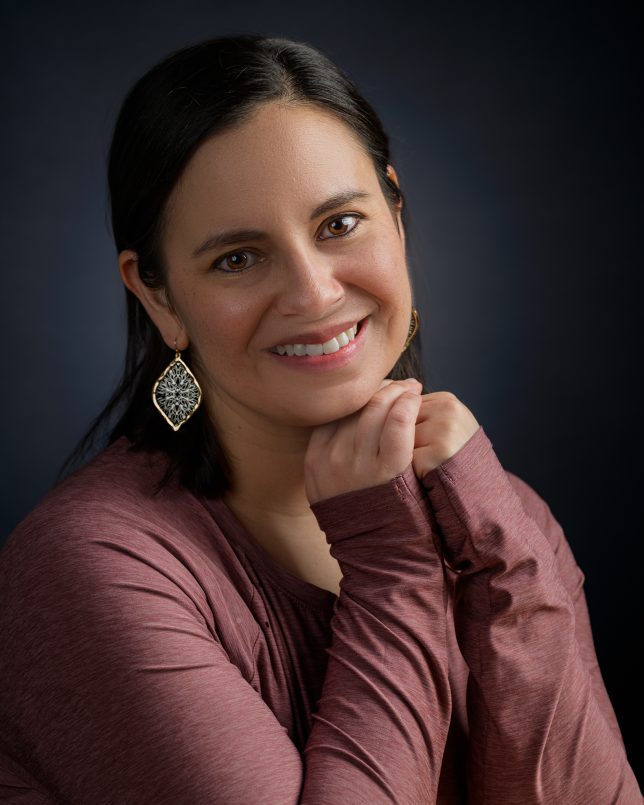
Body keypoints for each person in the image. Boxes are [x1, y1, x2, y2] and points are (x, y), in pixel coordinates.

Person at [0, 34, 640, 805]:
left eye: (339, 224)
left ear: (396, 215)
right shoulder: (89, 564)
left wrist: (510, 559)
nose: (313, 293)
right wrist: (390, 561)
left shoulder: (505, 516)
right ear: (158, 296)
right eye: (238, 258)